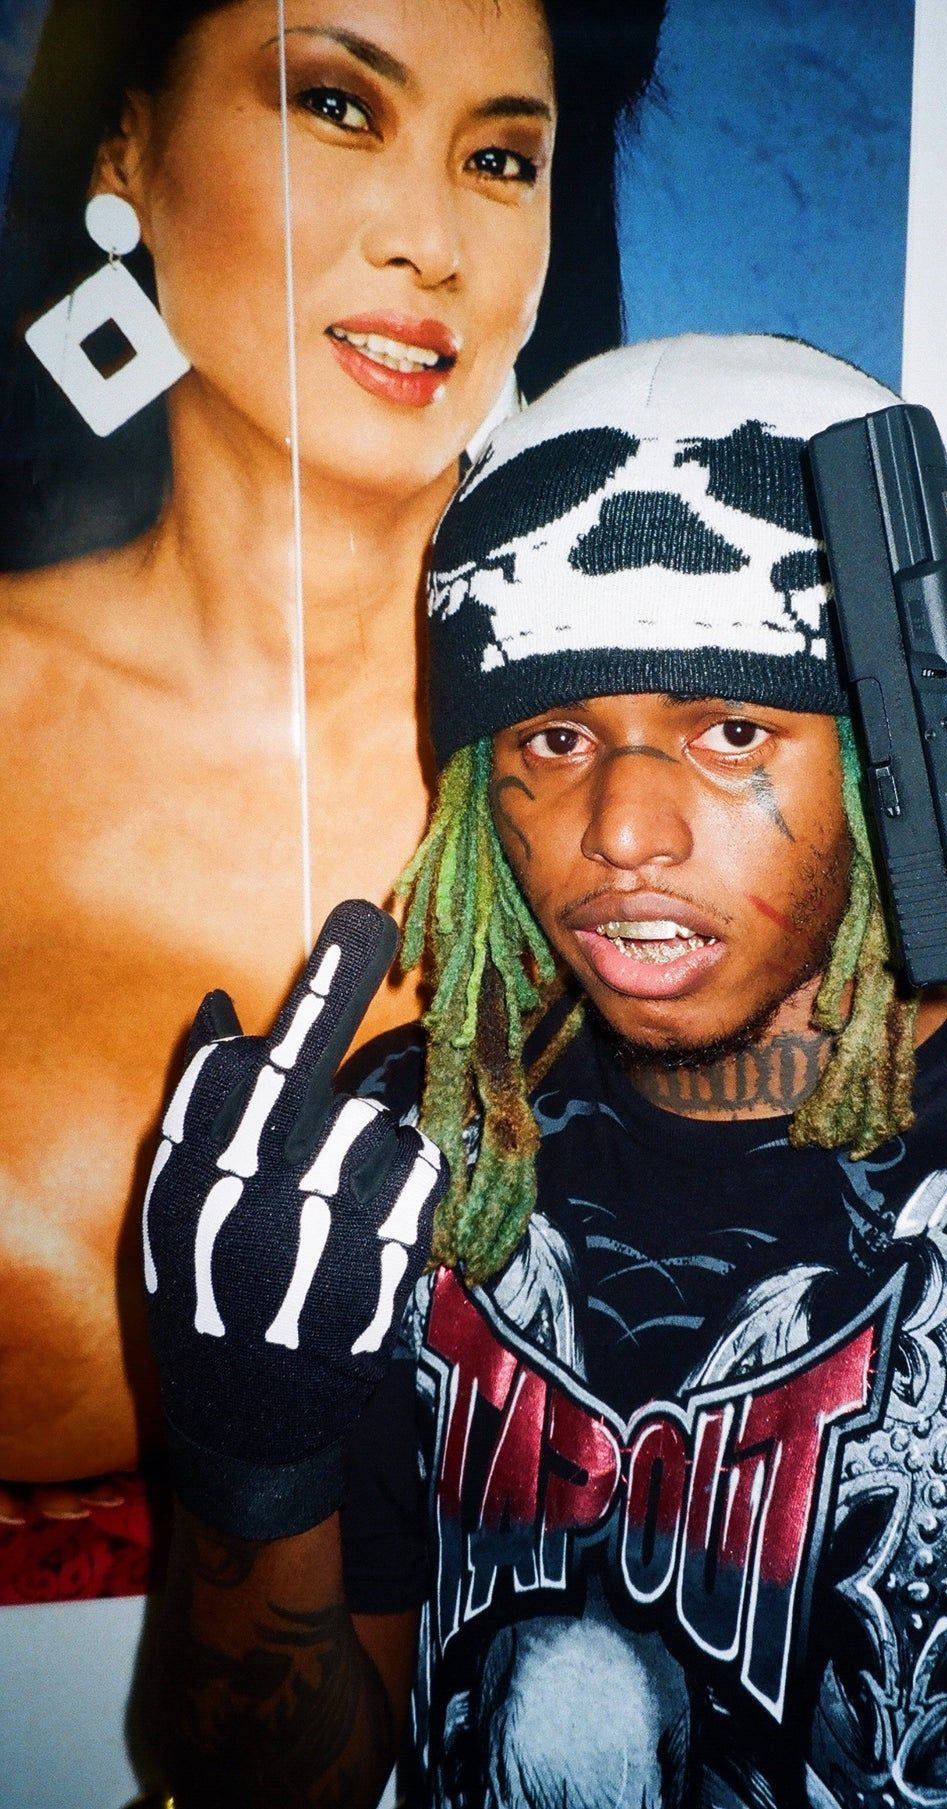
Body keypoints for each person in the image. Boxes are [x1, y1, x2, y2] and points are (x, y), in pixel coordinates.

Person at [143, 335, 947, 1807]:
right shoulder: (391, 1167)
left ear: (892, 759)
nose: (622, 829)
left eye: (731, 729)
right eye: (556, 735)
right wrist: (246, 1464)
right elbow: (264, 1783)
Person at [0, 0, 664, 1519]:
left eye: (500, 158)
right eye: (338, 106)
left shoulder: (660, 791)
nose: (430, 242)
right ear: (127, 143)